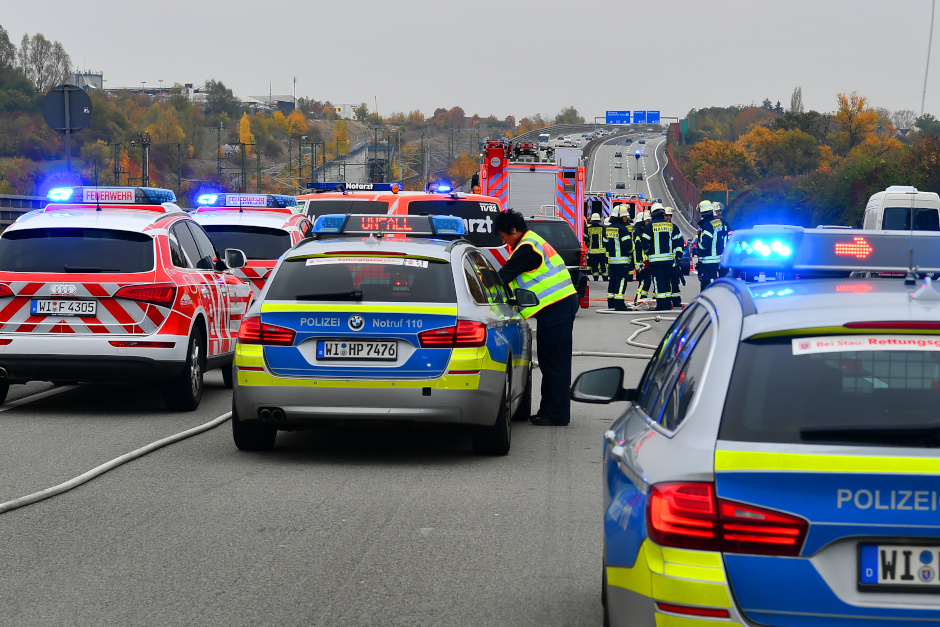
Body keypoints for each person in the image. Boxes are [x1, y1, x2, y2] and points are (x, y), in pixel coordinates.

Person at [494, 209, 578, 426]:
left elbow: (504, 277)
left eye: (504, 237)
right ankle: (547, 411)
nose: (505, 243)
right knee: (550, 360)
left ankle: (557, 415)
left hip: (557, 306)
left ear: (514, 230)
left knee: (555, 363)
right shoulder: (530, 243)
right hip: (557, 307)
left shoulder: (527, 248)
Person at [642, 204, 683, 311]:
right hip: (669, 260)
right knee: (667, 282)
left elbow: (644, 243)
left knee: (658, 282)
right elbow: (677, 242)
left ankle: (661, 306)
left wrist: (647, 253)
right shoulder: (670, 226)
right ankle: (668, 304)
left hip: (655, 261)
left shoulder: (650, 225)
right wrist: (677, 257)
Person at [603, 206, 633, 311]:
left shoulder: (608, 228)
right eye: (625, 216)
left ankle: (611, 303)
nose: (626, 218)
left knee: (613, 281)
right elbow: (628, 245)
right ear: (620, 216)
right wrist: (631, 252)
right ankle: (619, 304)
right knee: (621, 282)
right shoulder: (623, 229)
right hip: (622, 261)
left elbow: (605, 243)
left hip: (612, 261)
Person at [697, 201, 727, 290]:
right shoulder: (718, 222)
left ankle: (706, 301)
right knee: (716, 282)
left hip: (708, 260)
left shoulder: (706, 225)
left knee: (707, 283)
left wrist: (699, 245)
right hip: (718, 258)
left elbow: (704, 244)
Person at [664, 207, 685, 308]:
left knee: (675, 283)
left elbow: (680, 243)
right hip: (664, 262)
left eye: (669, 216)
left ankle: (676, 302)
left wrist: (679, 257)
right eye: (666, 215)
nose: (668, 217)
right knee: (664, 282)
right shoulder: (660, 228)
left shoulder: (675, 228)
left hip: (673, 262)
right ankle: (666, 302)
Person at [633, 212, 651, 304]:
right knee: (644, 282)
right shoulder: (638, 232)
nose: (649, 222)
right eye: (647, 220)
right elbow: (640, 246)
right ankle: (638, 301)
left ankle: (641, 300)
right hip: (641, 262)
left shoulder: (641, 232)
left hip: (644, 262)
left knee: (645, 283)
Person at [586, 212, 607, 281]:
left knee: (594, 266)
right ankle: (605, 278)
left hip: (592, 251)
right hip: (601, 251)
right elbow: (605, 239)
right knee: (603, 265)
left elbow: (586, 239)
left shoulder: (588, 228)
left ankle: (595, 278)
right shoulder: (603, 228)